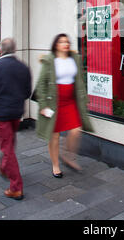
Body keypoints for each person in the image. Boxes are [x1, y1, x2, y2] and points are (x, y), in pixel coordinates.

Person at [0, 38, 32, 200]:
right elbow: (27, 92)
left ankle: (16, 187)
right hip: (16, 113)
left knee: (7, 147)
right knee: (9, 143)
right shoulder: (23, 67)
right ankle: (4, 166)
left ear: (1, 50)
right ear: (14, 50)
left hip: (1, 114)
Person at [34, 33, 93, 178]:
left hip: (71, 101)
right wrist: (43, 105)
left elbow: (79, 80)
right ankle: (55, 165)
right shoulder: (49, 60)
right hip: (54, 102)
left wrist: (84, 97)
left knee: (76, 130)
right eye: (61, 42)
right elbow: (41, 84)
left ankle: (67, 154)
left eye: (67, 41)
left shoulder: (75, 59)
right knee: (54, 135)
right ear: (56, 45)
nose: (65, 44)